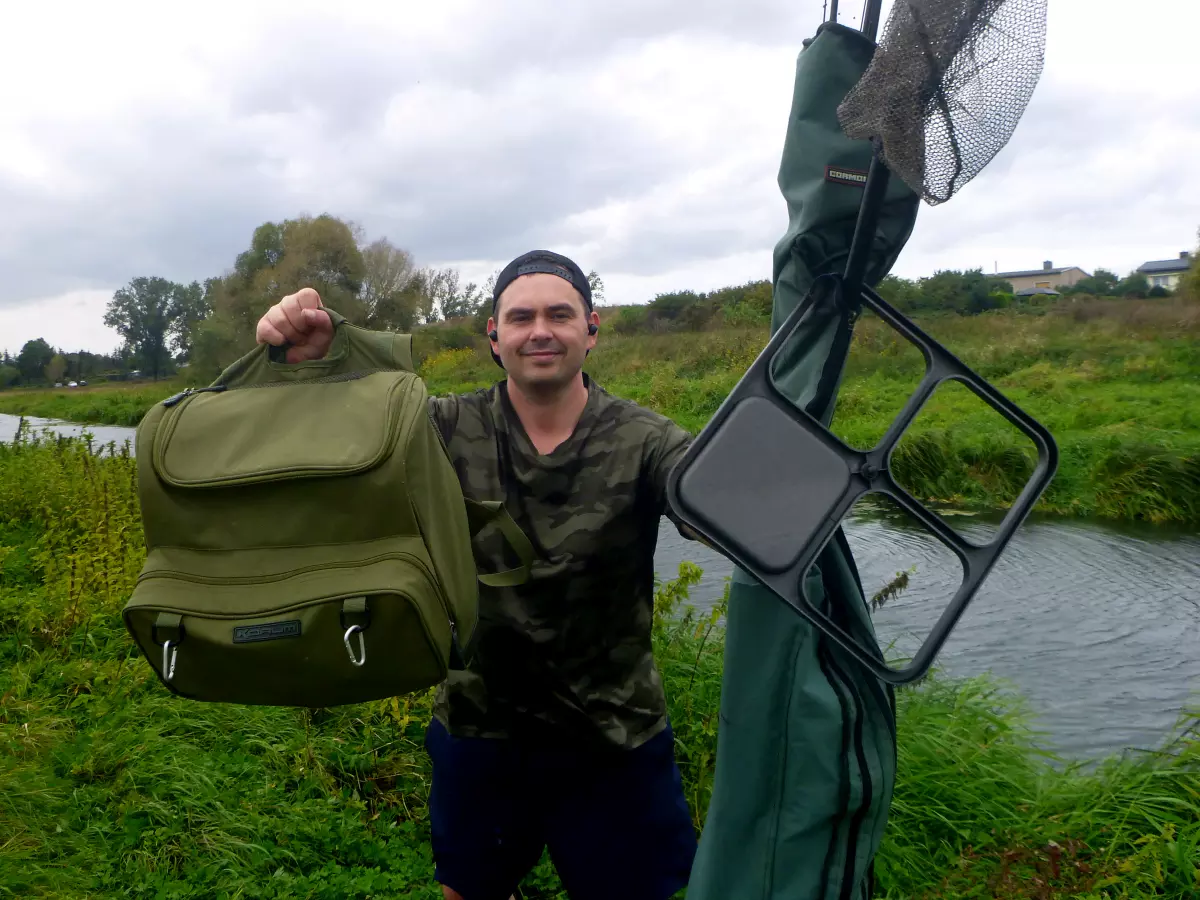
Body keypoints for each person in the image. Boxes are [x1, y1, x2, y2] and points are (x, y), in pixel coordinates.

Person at [255, 250, 700, 900]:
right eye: (520, 317)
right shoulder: (443, 427)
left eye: (559, 314)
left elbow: (713, 501)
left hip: (613, 737)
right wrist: (316, 361)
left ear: (592, 329)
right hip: (479, 727)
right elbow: (340, 432)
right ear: (494, 336)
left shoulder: (648, 440)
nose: (539, 330)